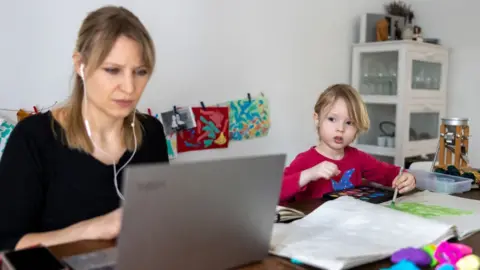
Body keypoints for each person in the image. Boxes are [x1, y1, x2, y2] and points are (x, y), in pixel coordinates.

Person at [0, 6, 169, 251]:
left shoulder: (150, 133)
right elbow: (5, 246)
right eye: (113, 70)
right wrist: (90, 229)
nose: (130, 87)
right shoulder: (33, 139)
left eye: (140, 72)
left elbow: (158, 224)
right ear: (80, 65)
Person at [279, 84, 416, 202]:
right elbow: (277, 191)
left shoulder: (359, 158)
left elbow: (389, 173)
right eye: (332, 119)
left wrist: (406, 177)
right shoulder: (305, 160)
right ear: (317, 119)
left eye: (349, 123)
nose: (340, 129)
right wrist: (309, 174)